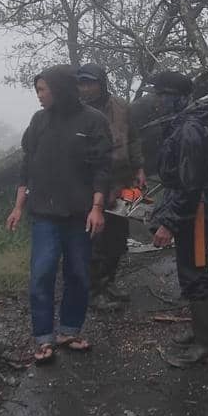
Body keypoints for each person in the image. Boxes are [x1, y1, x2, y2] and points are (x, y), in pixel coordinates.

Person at [6, 65, 112, 364]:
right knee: (42, 274)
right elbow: (27, 166)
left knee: (78, 273)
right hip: (44, 214)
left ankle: (69, 331)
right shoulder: (39, 121)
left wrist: (97, 208)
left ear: (60, 89)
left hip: (79, 214)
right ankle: (43, 337)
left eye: (42, 89)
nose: (39, 95)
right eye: (37, 90)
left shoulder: (93, 120)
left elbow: (102, 168)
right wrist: (18, 206)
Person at [146, 70, 208, 366]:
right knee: (192, 269)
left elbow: (190, 185)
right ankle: (199, 331)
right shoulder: (179, 125)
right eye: (156, 95)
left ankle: (206, 345)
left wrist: (168, 223)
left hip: (197, 210)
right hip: (192, 206)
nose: (157, 101)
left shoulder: (189, 129)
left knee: (196, 271)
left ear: (179, 98)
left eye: (162, 95)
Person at [76, 62, 146, 309]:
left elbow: (133, 138)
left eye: (90, 83)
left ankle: (109, 282)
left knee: (118, 236)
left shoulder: (121, 106)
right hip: (92, 185)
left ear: (102, 83)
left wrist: (139, 167)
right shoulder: (77, 112)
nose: (85, 88)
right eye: (81, 84)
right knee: (95, 238)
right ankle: (95, 291)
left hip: (122, 180)